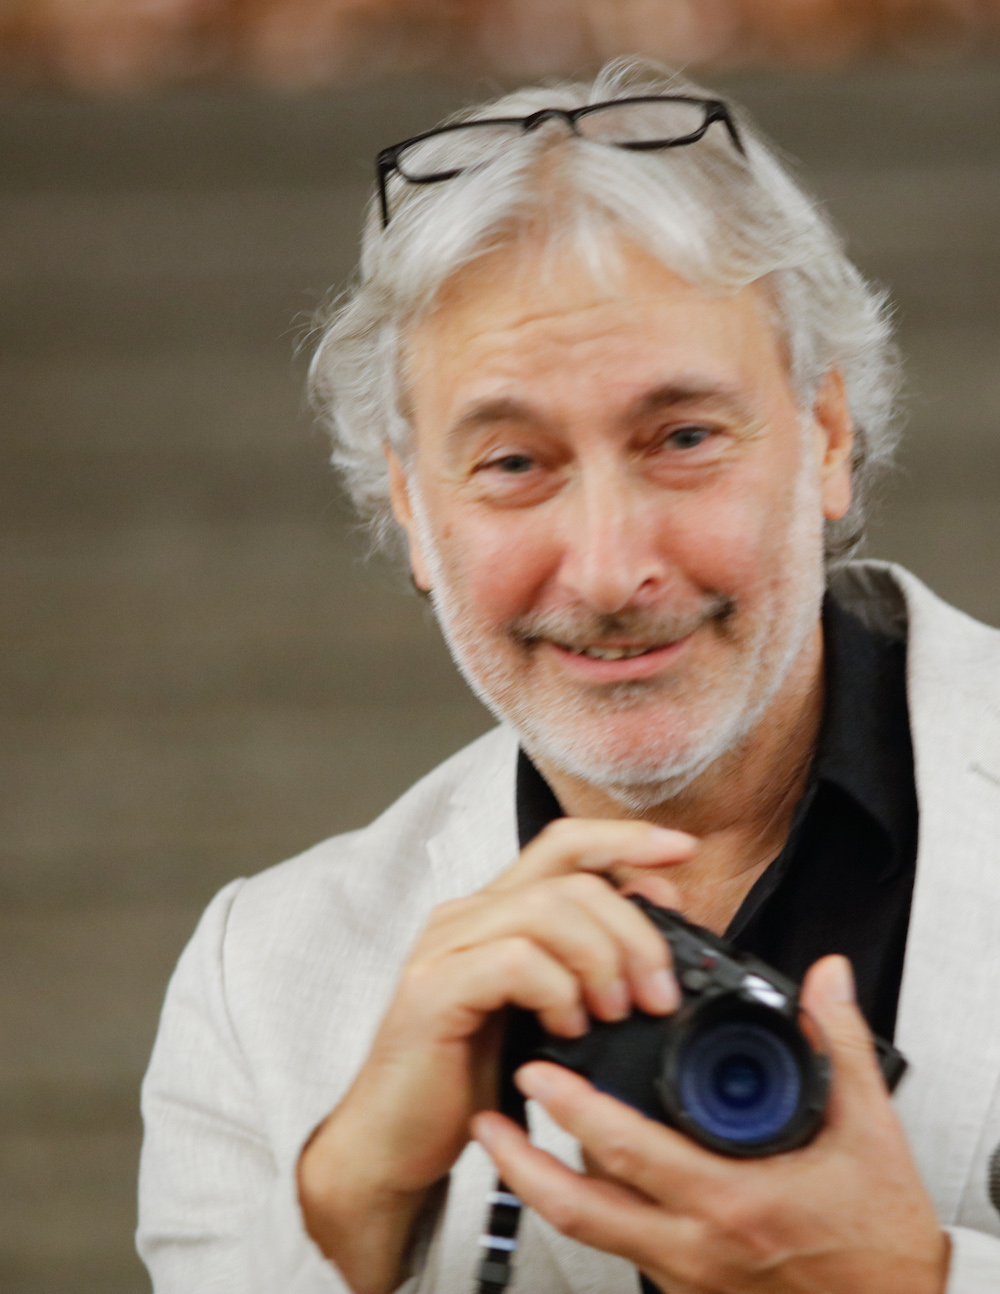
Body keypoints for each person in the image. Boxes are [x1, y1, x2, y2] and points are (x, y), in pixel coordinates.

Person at [136, 61, 1000, 1294]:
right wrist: (353, 1201)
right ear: (411, 507)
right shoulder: (259, 980)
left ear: (825, 436)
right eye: (512, 463)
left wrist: (904, 1281)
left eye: (683, 438)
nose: (606, 569)